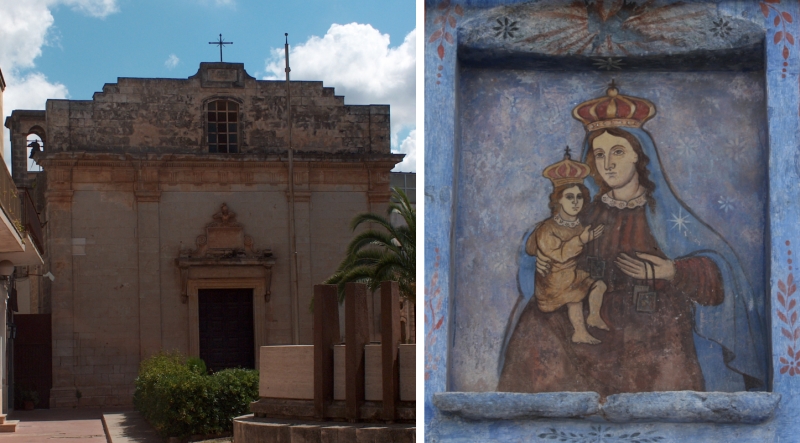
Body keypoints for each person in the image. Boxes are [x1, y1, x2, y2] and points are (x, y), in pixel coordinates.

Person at [497, 83, 766, 396]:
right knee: (537, 323)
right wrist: (540, 259)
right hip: (589, 313)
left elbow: (720, 270)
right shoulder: (586, 212)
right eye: (599, 154)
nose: (607, 164)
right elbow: (549, 236)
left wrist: (671, 270)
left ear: (639, 156)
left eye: (618, 152)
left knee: (659, 339)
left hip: (650, 320)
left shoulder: (663, 214)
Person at [530, 149, 607, 344]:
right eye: (569, 197)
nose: (575, 202)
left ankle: (594, 317)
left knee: (600, 285)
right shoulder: (548, 228)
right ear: (558, 199)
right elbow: (560, 255)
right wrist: (581, 240)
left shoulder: (578, 224)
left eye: (579, 197)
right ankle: (579, 332)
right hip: (554, 280)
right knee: (575, 298)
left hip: (572, 274)